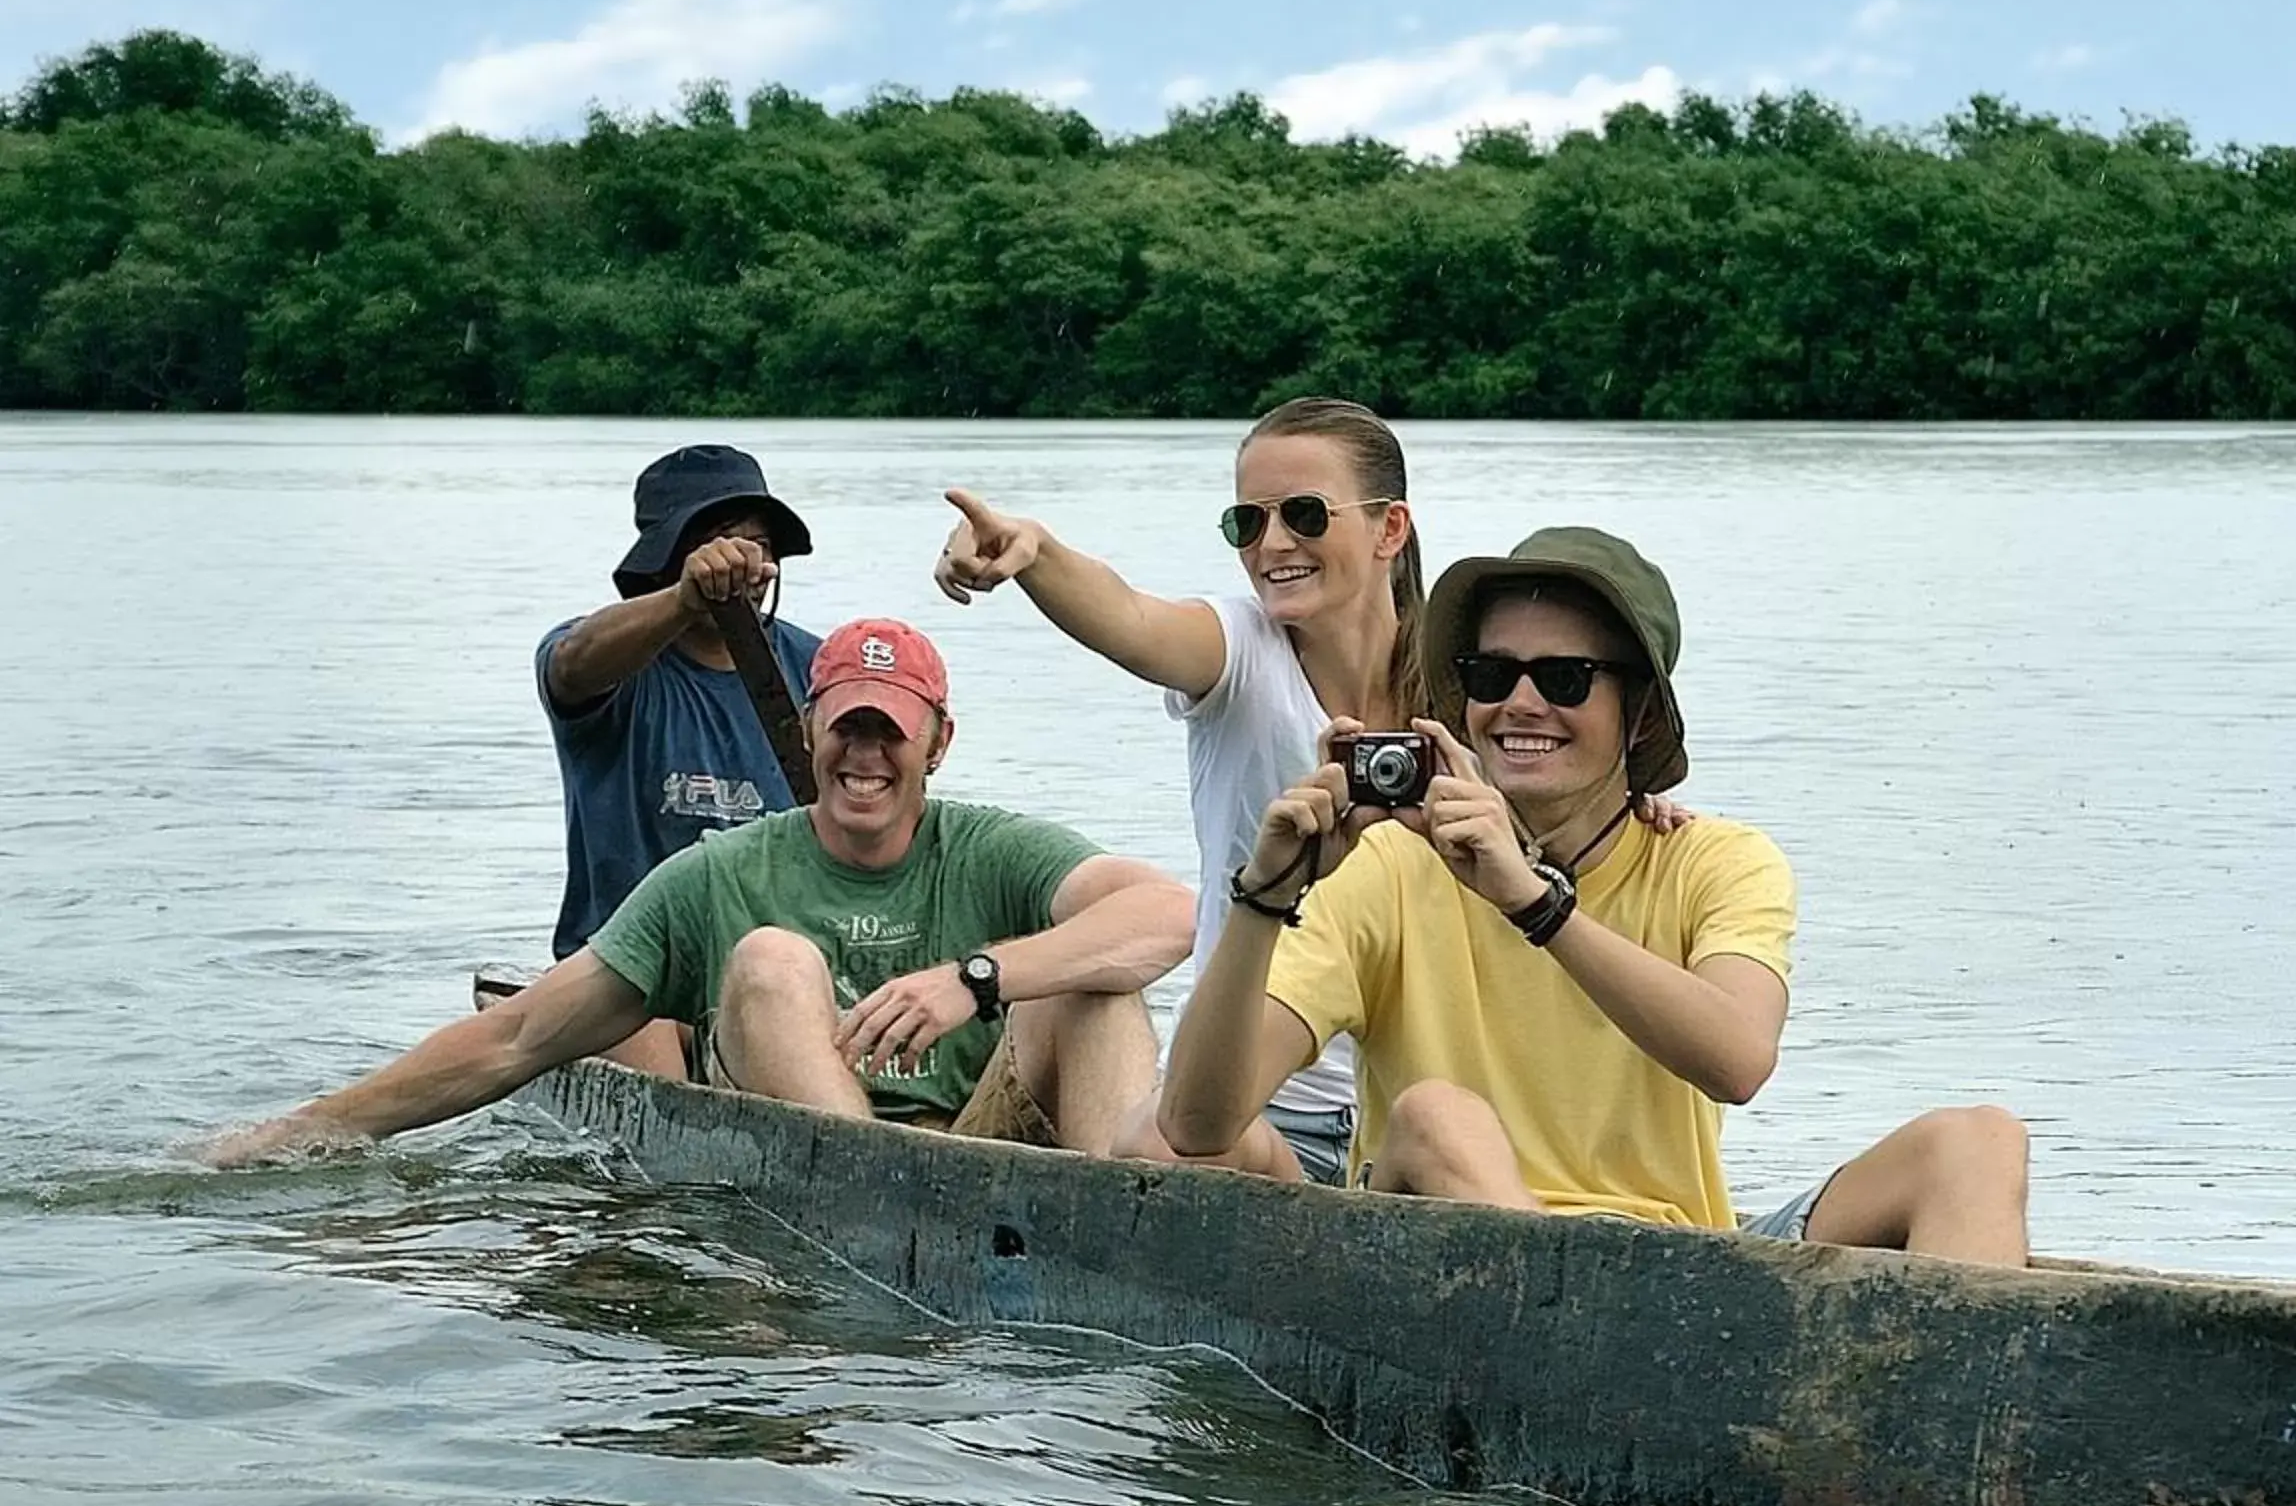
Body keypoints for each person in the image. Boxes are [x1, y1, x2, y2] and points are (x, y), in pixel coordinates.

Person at [1152, 529, 2033, 1265]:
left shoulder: (1716, 861)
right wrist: (1266, 896)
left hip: (1679, 1260)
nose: (1521, 705)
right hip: (1456, 1256)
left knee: (1979, 1140)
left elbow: (1738, 1060)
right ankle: (1562, 1356)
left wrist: (1534, 902)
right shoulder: (1388, 868)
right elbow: (1197, 1123)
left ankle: (1971, 1435)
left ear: (1639, 713)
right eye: (1491, 678)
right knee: (1435, 1112)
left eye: (1565, 679)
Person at [202, 619, 1194, 1168]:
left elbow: (1169, 915)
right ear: (808, 733)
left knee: (1095, 973)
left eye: (891, 731)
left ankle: (1131, 1209)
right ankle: (870, 1183)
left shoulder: (990, 845)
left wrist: (976, 977)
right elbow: (517, 1038)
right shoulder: (719, 873)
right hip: (817, 1171)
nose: (865, 753)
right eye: (846, 726)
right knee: (771, 956)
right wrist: (307, 1128)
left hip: (976, 1153)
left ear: (937, 741)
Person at [928, 398, 1423, 1183]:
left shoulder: (1472, 686)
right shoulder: (1241, 650)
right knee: (1159, 1143)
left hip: (1413, 1108)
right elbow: (1130, 617)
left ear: (1388, 530)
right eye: (1247, 523)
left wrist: (1642, 805)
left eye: (1304, 514)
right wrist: (1033, 553)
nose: (1274, 545)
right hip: (1259, 1108)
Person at [541, 444, 825, 1078]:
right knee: (641, 1023)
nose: (745, 560)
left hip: (770, 977)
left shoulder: (817, 667)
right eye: (722, 541)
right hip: (628, 973)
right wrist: (687, 599)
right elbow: (572, 665)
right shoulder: (610, 663)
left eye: (757, 542)